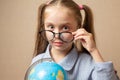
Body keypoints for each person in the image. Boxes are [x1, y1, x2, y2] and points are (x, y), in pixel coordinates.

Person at [30, 0, 119, 80]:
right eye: (51, 27)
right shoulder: (37, 62)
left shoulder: (89, 63)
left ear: (78, 28)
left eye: (65, 28)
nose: (57, 35)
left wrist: (94, 50)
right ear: (43, 26)